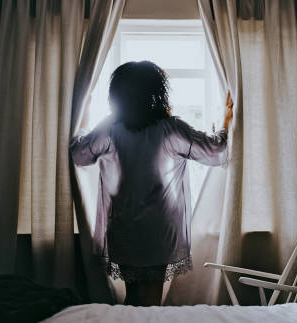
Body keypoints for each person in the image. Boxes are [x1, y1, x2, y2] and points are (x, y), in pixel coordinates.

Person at [70, 60, 233, 306]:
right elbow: (216, 152)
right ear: (158, 92)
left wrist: (80, 125)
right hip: (159, 228)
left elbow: (79, 155)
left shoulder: (110, 128)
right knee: (150, 300)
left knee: (134, 297)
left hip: (123, 226)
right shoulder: (171, 128)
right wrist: (225, 122)